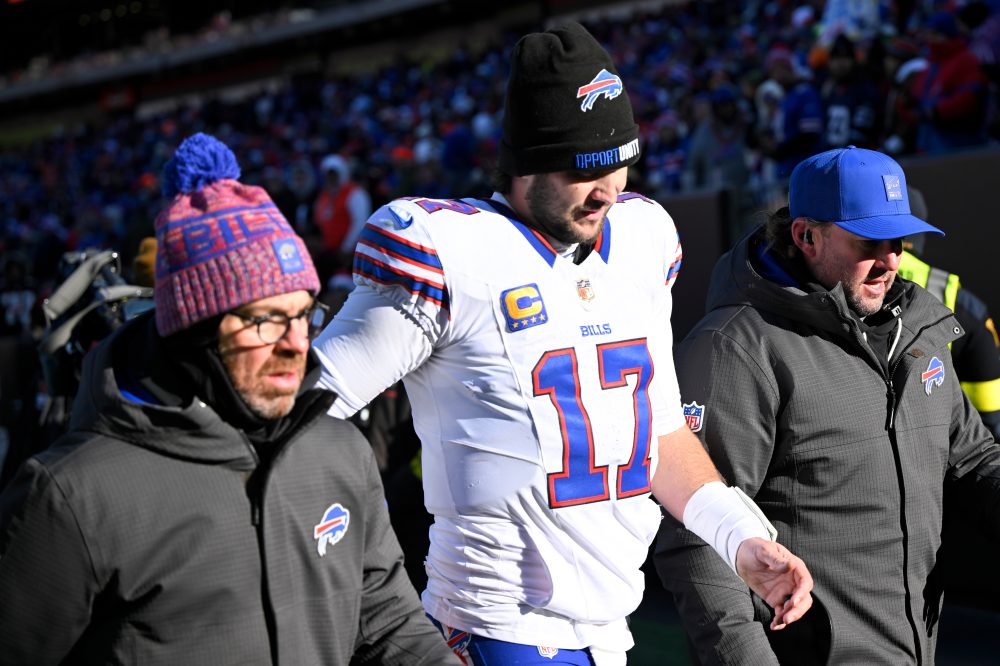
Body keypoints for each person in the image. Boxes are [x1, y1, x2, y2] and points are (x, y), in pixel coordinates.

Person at [312, 22, 813, 665]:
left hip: (610, 629)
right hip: (499, 626)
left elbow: (657, 430)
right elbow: (304, 413)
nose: (608, 188)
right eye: (584, 167)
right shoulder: (448, 250)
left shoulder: (642, 237)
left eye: (619, 160)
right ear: (527, 160)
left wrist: (739, 536)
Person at [0, 133, 458, 665]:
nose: (296, 344)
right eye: (265, 320)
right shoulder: (70, 497)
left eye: (302, 315)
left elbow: (388, 624)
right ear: (194, 330)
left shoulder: (338, 452)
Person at [655, 146, 1000, 665]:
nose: (891, 260)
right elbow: (695, 534)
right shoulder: (738, 347)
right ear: (805, 236)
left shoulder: (916, 327)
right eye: (869, 241)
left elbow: (972, 459)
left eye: (898, 241)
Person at [313, 153, 373, 288]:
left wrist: (346, 247)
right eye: (328, 175)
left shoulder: (355, 193)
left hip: (347, 255)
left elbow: (360, 222)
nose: (330, 178)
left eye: (333, 174)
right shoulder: (324, 196)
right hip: (327, 253)